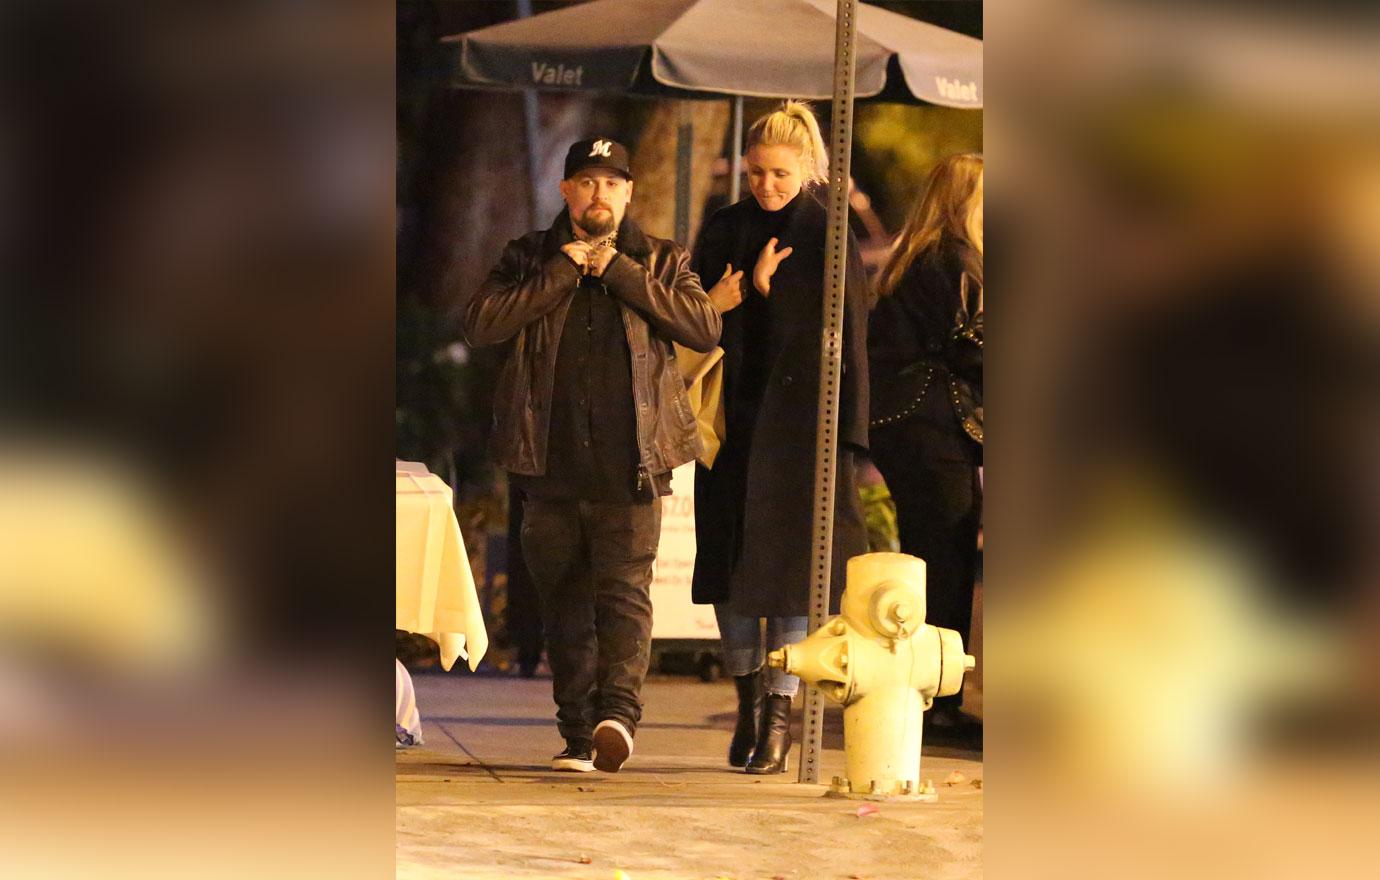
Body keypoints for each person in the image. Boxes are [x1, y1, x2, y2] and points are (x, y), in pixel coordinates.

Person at [462, 137, 721, 772]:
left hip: (630, 465)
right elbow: (481, 324)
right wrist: (561, 271)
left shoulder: (660, 258)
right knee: (564, 605)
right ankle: (577, 735)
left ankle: (618, 718)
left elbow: (703, 325)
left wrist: (619, 273)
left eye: (612, 183)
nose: (599, 193)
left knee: (625, 596)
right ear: (567, 191)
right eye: (587, 181)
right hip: (546, 467)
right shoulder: (529, 255)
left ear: (629, 192)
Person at [691, 102, 870, 774]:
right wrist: (731, 300)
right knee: (731, 574)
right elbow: (687, 318)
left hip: (802, 435)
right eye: (757, 172)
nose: (766, 184)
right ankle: (746, 706)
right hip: (732, 427)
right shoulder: (726, 228)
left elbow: (849, 339)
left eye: (779, 173)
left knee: (795, 582)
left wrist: (850, 441)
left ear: (808, 168)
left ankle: (779, 717)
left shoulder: (827, 232)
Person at [866, 153, 983, 728]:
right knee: (946, 554)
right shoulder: (952, 261)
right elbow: (974, 345)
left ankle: (930, 691)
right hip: (931, 424)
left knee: (929, 552)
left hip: (907, 424)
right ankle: (938, 698)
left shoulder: (914, 257)